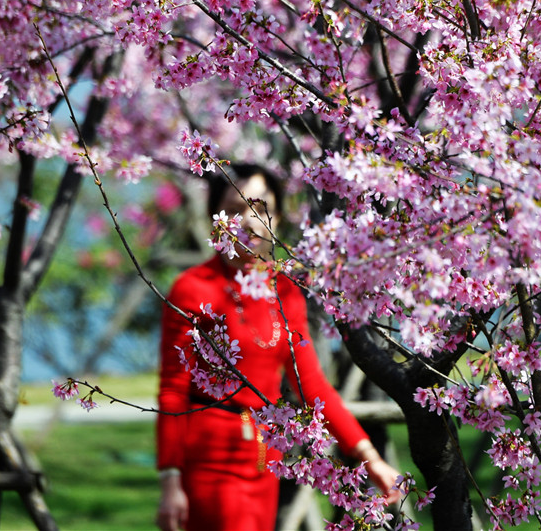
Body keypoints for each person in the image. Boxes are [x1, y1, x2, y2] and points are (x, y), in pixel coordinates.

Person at [155, 164, 401, 531]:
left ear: (278, 215)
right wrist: (170, 480)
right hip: (209, 457)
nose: (249, 220)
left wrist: (368, 455)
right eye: (235, 209)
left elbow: (311, 387)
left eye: (260, 206)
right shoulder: (193, 288)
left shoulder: (285, 291)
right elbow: (173, 390)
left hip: (263, 458)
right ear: (215, 218)